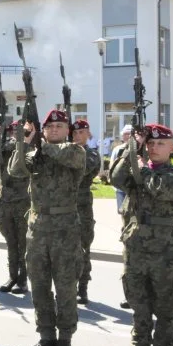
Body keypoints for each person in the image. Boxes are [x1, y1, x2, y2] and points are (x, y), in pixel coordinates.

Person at [111, 123, 173, 346]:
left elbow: (158, 187)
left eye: (160, 144)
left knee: (166, 310)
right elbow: (116, 178)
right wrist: (131, 147)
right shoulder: (137, 167)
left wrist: (141, 166)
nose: (154, 147)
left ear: (172, 148)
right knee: (139, 309)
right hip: (135, 250)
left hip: (163, 253)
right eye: (151, 143)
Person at [9, 109, 85, 346]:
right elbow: (16, 170)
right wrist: (25, 140)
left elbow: (65, 156)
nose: (54, 130)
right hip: (38, 228)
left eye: (59, 126)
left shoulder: (75, 151)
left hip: (65, 230)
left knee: (65, 288)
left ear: (67, 130)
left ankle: (65, 341)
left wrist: (41, 143)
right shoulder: (37, 152)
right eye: (49, 127)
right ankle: (46, 337)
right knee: (39, 287)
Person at [0, 120, 30, 294]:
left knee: (23, 244)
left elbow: (26, 160)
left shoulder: (28, 148)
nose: (15, 134)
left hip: (22, 202)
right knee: (11, 243)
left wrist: (26, 140)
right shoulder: (4, 148)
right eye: (13, 131)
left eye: (19, 132)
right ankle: (12, 276)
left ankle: (22, 279)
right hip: (5, 202)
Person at [72, 119, 101, 304]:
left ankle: (82, 288)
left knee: (83, 247)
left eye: (81, 132)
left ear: (88, 134)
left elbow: (82, 168)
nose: (77, 136)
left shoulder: (91, 154)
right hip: (64, 205)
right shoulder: (66, 151)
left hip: (82, 206)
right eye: (74, 133)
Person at [111, 126, 134, 214]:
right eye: (125, 134)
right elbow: (112, 165)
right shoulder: (117, 149)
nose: (128, 136)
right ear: (122, 136)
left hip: (133, 187)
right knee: (122, 212)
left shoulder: (137, 148)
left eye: (130, 134)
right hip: (120, 187)